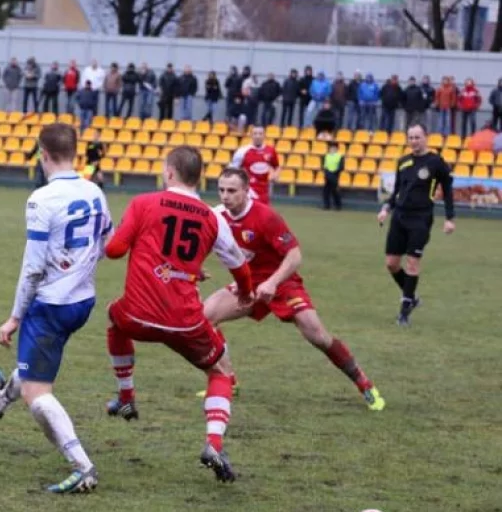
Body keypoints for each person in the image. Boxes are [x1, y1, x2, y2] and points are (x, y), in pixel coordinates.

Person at [103, 146, 254, 483]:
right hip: (186, 321)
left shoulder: (144, 203)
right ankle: (213, 443)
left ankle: (126, 397)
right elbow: (240, 269)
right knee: (220, 373)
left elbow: (114, 251)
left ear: (170, 172)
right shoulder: (212, 217)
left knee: (115, 318)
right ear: (198, 177)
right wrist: (244, 295)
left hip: (139, 314)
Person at [0, 123, 112, 494]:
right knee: (36, 362)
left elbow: (33, 268)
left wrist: (14, 317)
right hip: (83, 301)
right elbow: (107, 242)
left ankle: (82, 465)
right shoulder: (95, 192)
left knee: (37, 395)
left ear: (43, 154)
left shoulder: (41, 199)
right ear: (75, 152)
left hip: (52, 304)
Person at [199, 168, 385, 411]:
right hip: (248, 284)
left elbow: (294, 256)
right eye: (221, 190)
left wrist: (272, 282)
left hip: (282, 283)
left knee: (317, 335)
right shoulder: (216, 216)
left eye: (232, 190)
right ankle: (226, 380)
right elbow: (200, 244)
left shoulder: (264, 216)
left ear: (246, 191)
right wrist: (197, 267)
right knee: (204, 318)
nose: (225, 195)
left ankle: (363, 383)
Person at [376, 123, 455, 326]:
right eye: (410, 137)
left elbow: (447, 189)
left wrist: (449, 218)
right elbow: (397, 192)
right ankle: (411, 297)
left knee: (412, 263)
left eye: (417, 137)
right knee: (391, 264)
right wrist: (386, 209)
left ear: (426, 137)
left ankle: (404, 312)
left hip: (421, 218)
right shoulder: (403, 162)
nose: (413, 141)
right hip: (399, 217)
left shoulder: (436, 162)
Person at [230, 126, 279, 205]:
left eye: (260, 133)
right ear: (251, 135)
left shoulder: (270, 150)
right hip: (249, 191)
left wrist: (275, 175)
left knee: (264, 215)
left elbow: (276, 166)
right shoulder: (242, 151)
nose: (258, 136)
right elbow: (232, 171)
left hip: (264, 191)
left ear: (264, 135)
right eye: (255, 133)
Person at [322, 144, 343, 210]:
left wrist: (335, 172)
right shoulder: (326, 156)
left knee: (335, 191)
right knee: (326, 191)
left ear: (336, 149)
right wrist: (327, 172)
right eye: (331, 148)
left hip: (335, 175)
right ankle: (326, 205)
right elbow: (324, 166)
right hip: (328, 175)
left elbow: (341, 167)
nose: (331, 150)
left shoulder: (340, 156)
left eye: (333, 148)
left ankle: (338, 206)